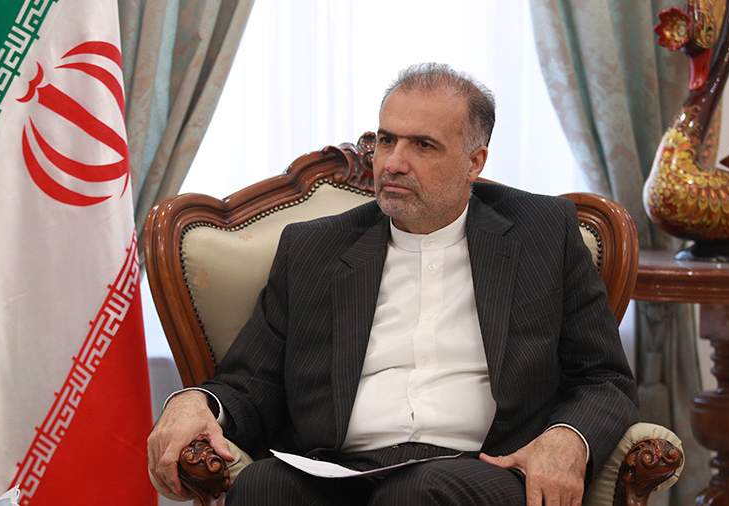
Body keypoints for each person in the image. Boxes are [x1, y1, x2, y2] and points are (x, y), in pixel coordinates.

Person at [148, 63, 638, 506]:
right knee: (263, 487)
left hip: (476, 469)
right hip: (336, 468)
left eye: (422, 145)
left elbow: (603, 377)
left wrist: (568, 437)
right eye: (386, 140)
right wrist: (193, 402)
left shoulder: (541, 234)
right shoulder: (314, 249)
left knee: (416, 494)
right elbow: (252, 380)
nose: (393, 163)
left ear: (475, 162)